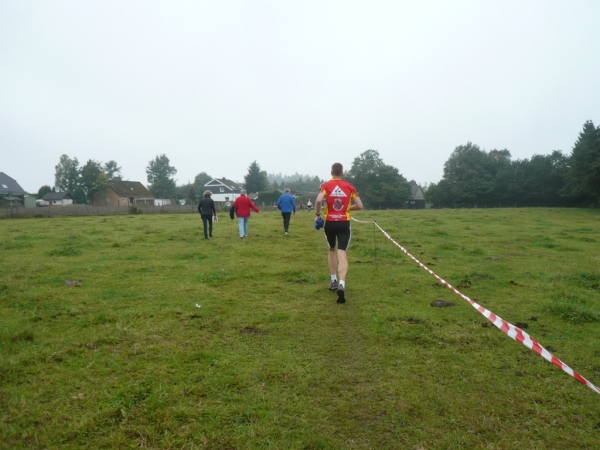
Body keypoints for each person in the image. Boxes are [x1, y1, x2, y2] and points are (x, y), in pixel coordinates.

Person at [315, 162, 363, 303]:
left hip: (329, 223)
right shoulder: (350, 187)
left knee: (331, 249)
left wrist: (318, 215)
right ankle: (342, 283)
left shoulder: (326, 185)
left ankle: (333, 281)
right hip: (344, 223)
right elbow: (360, 206)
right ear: (342, 173)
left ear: (332, 173)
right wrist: (347, 209)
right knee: (342, 253)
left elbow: (318, 200)